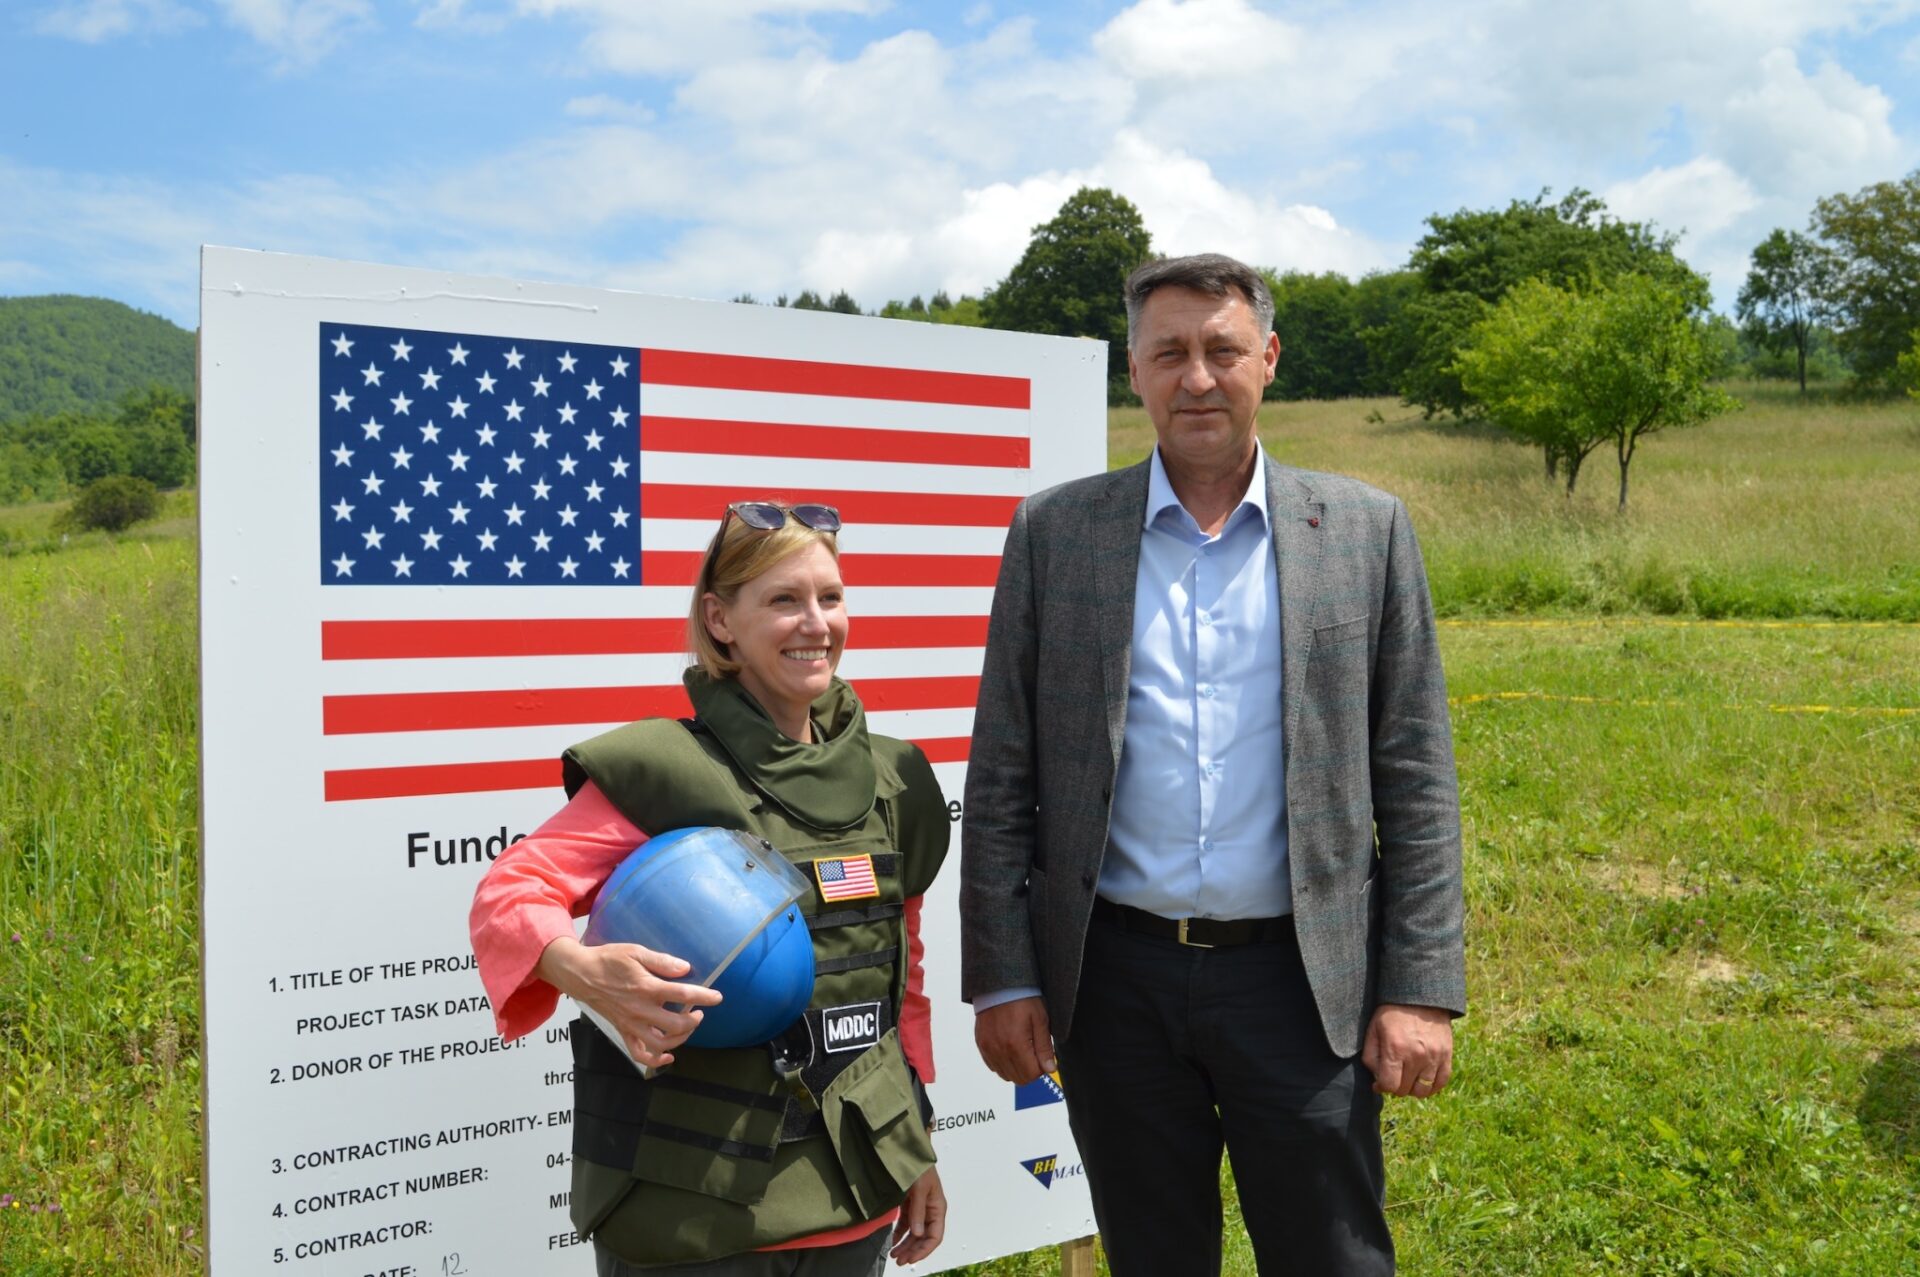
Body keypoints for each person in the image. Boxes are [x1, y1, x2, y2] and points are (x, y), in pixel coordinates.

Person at [960, 253, 1466, 1276]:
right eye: (1169, 353)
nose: (1197, 377)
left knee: (1333, 1259)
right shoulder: (1055, 533)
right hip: (1116, 983)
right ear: (1135, 372)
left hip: (1303, 980)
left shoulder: (1364, 530)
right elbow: (1004, 771)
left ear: (1267, 358)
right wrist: (1003, 974)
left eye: (1222, 350)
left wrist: (1419, 986)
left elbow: (1416, 775)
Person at [471, 500, 949, 1276]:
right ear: (720, 619)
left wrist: (915, 1143)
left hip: (854, 1201)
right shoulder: (667, 770)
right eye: (784, 599)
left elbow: (902, 980)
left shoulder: (894, 780)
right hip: (690, 1217)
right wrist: (582, 969)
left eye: (830, 596)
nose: (816, 622)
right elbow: (510, 892)